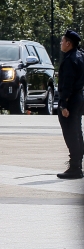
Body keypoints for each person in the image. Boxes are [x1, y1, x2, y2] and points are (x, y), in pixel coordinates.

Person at [56, 29, 84, 179]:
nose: (61, 43)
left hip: (71, 99)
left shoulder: (69, 60)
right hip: (79, 97)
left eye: (62, 41)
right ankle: (77, 164)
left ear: (68, 43)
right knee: (77, 132)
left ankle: (75, 167)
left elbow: (67, 83)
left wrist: (63, 104)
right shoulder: (80, 56)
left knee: (71, 133)